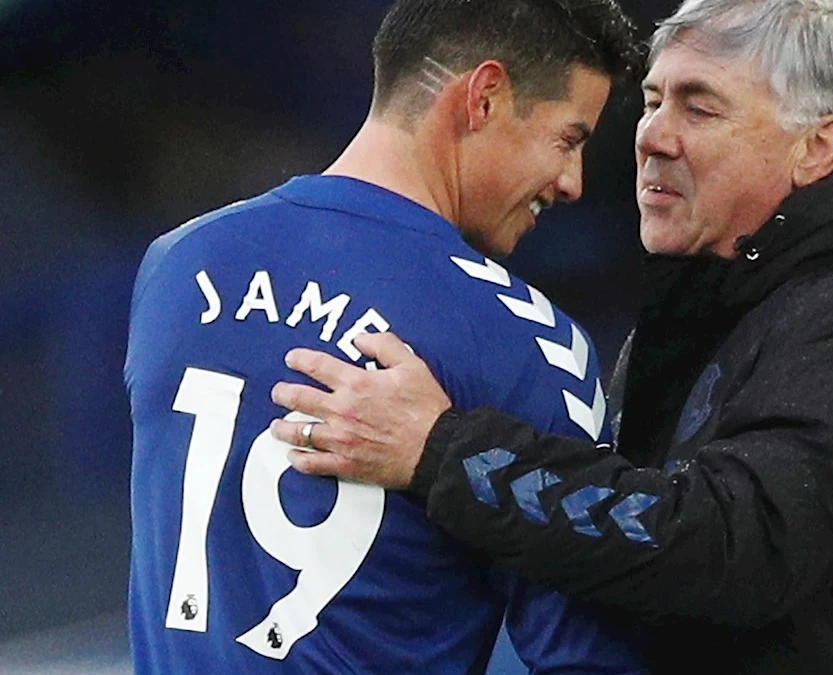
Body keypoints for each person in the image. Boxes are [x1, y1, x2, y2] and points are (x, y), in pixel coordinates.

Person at [272, 0, 833, 672]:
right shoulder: (707, 318)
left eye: (699, 109)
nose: (652, 137)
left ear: (817, 149)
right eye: (652, 100)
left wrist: (440, 450)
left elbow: (732, 546)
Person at [123, 1, 647, 673]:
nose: (573, 183)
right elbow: (589, 661)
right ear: (483, 97)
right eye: (569, 140)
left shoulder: (176, 262)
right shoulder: (528, 345)